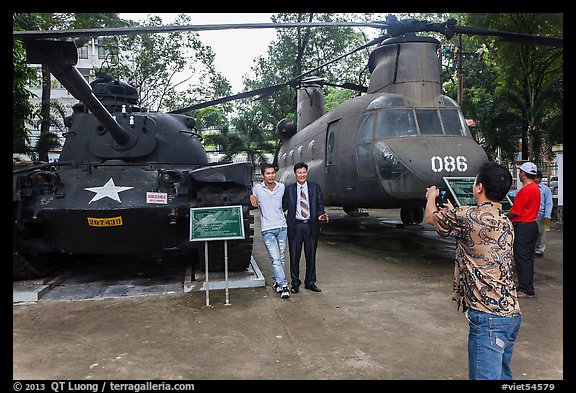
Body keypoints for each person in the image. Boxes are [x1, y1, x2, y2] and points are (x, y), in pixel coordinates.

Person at [425, 161, 521, 380]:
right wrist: (453, 212)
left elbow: (431, 217)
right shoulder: (505, 221)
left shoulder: (467, 217)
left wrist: (431, 196)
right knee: (503, 376)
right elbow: (475, 231)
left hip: (488, 317)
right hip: (511, 313)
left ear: (479, 187)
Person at [282, 162, 328, 294]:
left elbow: (320, 206)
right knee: (294, 257)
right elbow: (282, 206)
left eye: (304, 172)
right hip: (295, 227)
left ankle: (310, 282)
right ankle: (295, 283)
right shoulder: (289, 189)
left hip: (311, 226)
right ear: (295, 174)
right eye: (299, 172)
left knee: (311, 256)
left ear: (307, 173)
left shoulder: (315, 188)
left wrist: (321, 215)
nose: (302, 175)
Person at [250, 163, 290, 299]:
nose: (271, 175)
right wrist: (251, 196)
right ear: (262, 175)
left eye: (273, 173)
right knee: (275, 258)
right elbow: (249, 195)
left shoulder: (281, 187)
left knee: (282, 257)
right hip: (268, 229)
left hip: (282, 227)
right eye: (268, 173)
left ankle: (277, 282)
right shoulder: (257, 188)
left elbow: (285, 203)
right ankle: (284, 285)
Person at [506, 162, 540, 298]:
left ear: (523, 174)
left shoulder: (525, 190)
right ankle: (527, 286)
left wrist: (502, 216)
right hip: (532, 225)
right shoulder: (536, 188)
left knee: (522, 259)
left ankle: (526, 289)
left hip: (523, 227)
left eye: (520, 172)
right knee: (528, 258)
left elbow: (515, 211)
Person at [534, 171, 553, 257]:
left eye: (534, 177)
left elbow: (549, 203)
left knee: (541, 233)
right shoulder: (528, 187)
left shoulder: (545, 189)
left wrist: (547, 215)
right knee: (532, 233)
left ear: (538, 178)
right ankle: (533, 249)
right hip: (530, 214)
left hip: (540, 214)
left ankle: (539, 250)